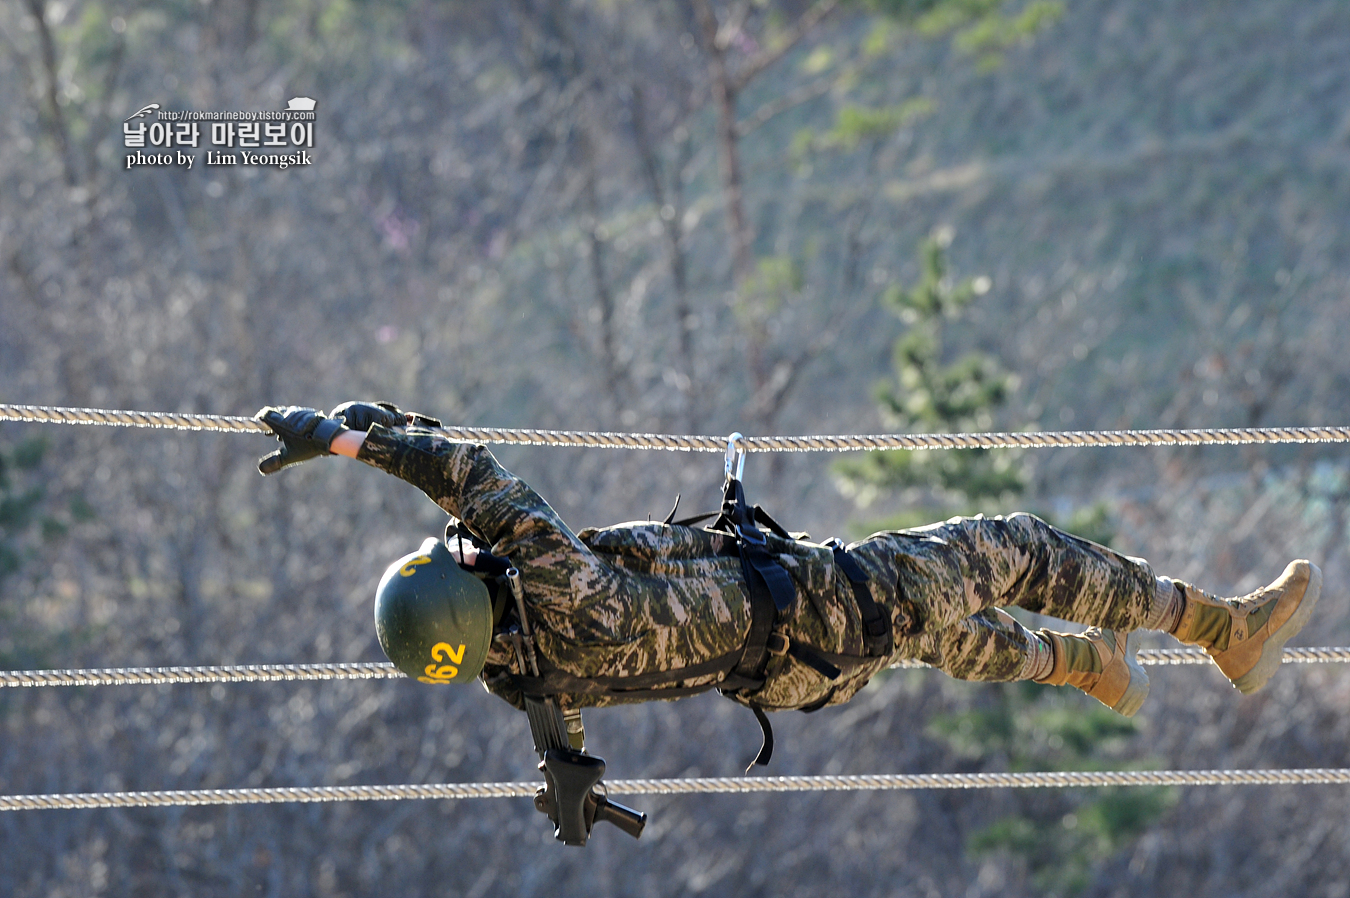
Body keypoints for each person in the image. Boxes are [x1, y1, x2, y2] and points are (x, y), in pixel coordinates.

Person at [255, 402, 1322, 724]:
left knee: (943, 633)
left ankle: (1084, 668)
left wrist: (567, 776)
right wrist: (351, 439)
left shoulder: (517, 665)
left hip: (803, 676)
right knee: (1018, 550)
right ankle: (1220, 628)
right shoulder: (551, 585)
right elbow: (471, 475)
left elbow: (558, 721)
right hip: (831, 600)